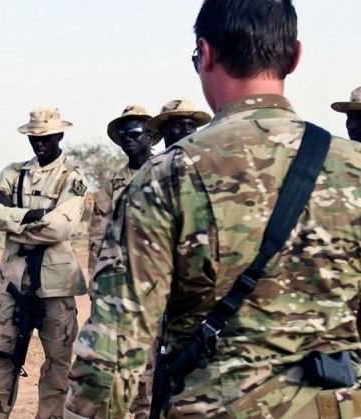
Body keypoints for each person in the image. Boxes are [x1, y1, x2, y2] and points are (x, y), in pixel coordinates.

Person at [65, 0, 361, 417]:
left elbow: (112, 355)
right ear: (295, 57)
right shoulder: (353, 168)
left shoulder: (167, 176)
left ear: (204, 54)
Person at [0, 107, 88, 419]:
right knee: (3, 361)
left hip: (56, 287)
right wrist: (31, 215)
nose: (38, 142)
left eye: (44, 137)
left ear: (59, 136)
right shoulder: (12, 173)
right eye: (33, 137)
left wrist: (11, 216)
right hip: (14, 283)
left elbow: (60, 227)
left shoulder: (72, 178)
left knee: (57, 366)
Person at [88, 105, 157, 283]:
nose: (127, 139)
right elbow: (98, 238)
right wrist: (96, 284)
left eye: (134, 132)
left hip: (161, 275)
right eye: (122, 134)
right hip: (124, 278)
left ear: (149, 136)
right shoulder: (112, 185)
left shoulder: (167, 174)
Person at [146, 99, 212, 148]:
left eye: (191, 125)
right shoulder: (154, 164)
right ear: (162, 130)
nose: (187, 131)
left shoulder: (209, 160)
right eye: (177, 126)